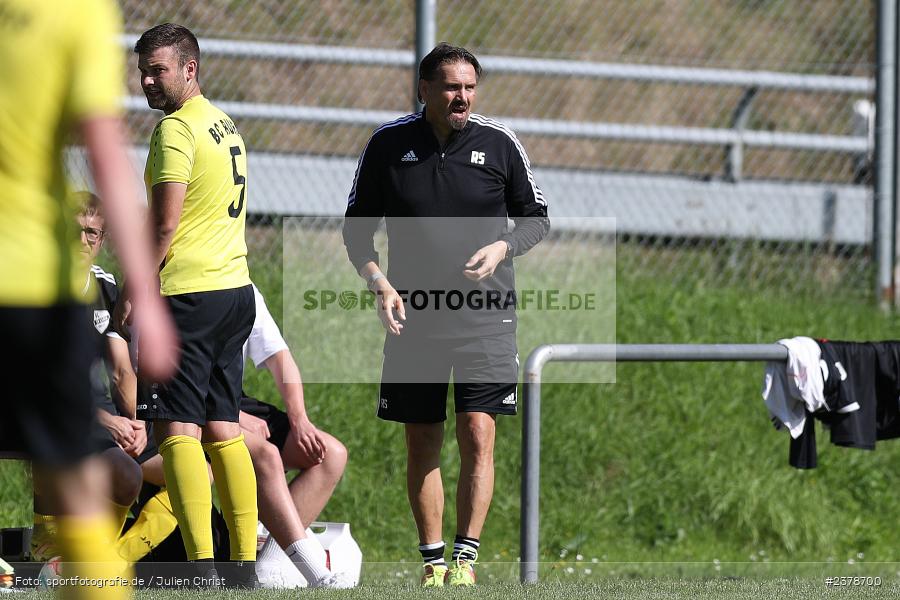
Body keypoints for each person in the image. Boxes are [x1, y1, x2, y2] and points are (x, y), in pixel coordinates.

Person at [342, 43, 549, 587]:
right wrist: (379, 283)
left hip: (485, 317)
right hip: (415, 321)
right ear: (425, 89)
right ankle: (432, 560)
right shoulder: (387, 144)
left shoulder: (499, 143)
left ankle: (466, 559)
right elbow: (356, 231)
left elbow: (536, 219)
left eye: (470, 88)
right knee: (422, 439)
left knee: (479, 432)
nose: (462, 97)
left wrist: (503, 248)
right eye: (452, 87)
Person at [0, 2, 178, 599]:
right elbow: (106, 155)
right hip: (26, 279)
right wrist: (146, 295)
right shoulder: (71, 13)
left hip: (31, 276)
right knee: (77, 485)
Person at [126, 23, 258, 587]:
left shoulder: (175, 130)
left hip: (188, 293)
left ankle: (202, 566)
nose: (147, 80)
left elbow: (164, 222)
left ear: (189, 68)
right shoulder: (223, 124)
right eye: (143, 70)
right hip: (235, 290)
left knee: (177, 431)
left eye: (158, 69)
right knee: (224, 429)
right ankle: (244, 565)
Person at [239, 283, 352, 588]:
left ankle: (271, 566)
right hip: (187, 410)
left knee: (329, 454)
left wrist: (300, 420)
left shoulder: (243, 287)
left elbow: (279, 357)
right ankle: (316, 574)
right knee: (267, 455)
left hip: (230, 402)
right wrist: (233, 417)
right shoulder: (178, 283)